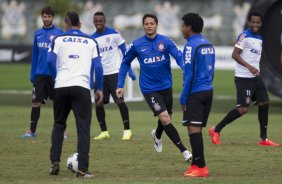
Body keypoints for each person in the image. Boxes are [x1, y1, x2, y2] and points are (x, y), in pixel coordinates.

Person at [116, 13, 192, 161]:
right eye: (146, 23)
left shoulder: (166, 41)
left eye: (152, 23)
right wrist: (120, 84)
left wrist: (184, 67)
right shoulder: (137, 44)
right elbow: (125, 62)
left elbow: (178, 55)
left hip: (166, 86)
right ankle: (185, 151)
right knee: (165, 118)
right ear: (143, 26)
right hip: (149, 88)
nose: (149, 26)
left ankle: (157, 135)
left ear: (156, 25)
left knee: (167, 117)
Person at [209, 11, 280, 146]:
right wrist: (249, 67)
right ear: (249, 22)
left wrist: (256, 68)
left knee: (264, 103)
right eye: (252, 22)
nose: (255, 24)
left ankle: (263, 139)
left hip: (256, 77)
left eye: (257, 22)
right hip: (243, 78)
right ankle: (215, 129)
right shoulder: (244, 36)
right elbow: (235, 54)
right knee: (242, 109)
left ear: (261, 23)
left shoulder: (260, 37)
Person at [47, 12, 103, 178]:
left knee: (59, 124)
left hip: (61, 86)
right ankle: (82, 169)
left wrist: (57, 77)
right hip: (81, 87)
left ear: (66, 23)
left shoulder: (58, 39)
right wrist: (99, 88)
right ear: (79, 24)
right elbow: (99, 68)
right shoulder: (91, 41)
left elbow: (50, 61)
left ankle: (54, 162)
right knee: (83, 129)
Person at [21, 6, 67, 138]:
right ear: (42, 17)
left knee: (58, 103)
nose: (46, 19)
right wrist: (32, 75)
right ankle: (32, 131)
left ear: (53, 17)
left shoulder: (59, 33)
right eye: (44, 16)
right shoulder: (38, 34)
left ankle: (62, 131)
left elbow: (62, 55)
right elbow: (35, 55)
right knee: (35, 102)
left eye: (49, 16)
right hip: (40, 75)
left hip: (54, 75)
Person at [91, 11, 136, 141]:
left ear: (105, 22)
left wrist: (129, 70)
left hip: (115, 73)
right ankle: (104, 132)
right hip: (100, 76)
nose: (98, 23)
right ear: (94, 22)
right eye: (96, 21)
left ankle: (127, 130)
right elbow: (92, 60)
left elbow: (124, 51)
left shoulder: (114, 33)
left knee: (120, 102)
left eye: (101, 21)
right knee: (99, 103)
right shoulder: (92, 39)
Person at [180, 13, 215, 177]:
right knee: (194, 129)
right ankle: (195, 164)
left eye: (183, 26)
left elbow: (189, 74)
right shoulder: (208, 44)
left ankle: (201, 167)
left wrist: (183, 97)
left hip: (195, 92)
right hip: (208, 90)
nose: (181, 29)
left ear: (189, 27)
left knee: (194, 130)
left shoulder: (190, 47)